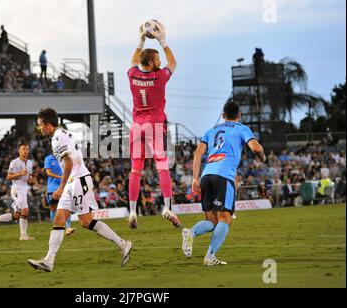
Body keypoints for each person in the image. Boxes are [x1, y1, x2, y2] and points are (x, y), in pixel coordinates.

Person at [28, 108, 132, 272]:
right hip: (75, 181)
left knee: (76, 220)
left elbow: (68, 162)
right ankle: (49, 260)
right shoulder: (63, 133)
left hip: (77, 181)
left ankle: (122, 244)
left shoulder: (57, 137)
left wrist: (61, 187)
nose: (40, 129)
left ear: (48, 125)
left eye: (41, 125)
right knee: (71, 220)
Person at [182, 101, 266, 266]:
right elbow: (256, 148)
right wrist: (262, 156)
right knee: (225, 218)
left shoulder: (211, 130)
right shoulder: (242, 128)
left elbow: (198, 153)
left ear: (223, 116)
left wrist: (195, 178)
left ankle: (191, 232)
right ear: (239, 115)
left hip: (207, 175)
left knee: (212, 221)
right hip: (224, 176)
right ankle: (210, 256)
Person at [127, 21, 180, 229]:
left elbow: (133, 62)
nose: (160, 60)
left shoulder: (133, 76)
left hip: (137, 127)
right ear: (150, 62)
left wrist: (140, 42)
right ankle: (167, 207)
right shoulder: (159, 77)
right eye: (156, 58)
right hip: (156, 126)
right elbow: (173, 63)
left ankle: (132, 211)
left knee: (135, 171)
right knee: (162, 167)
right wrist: (163, 42)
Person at [0, 143, 36, 241]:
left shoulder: (30, 162)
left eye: (27, 149)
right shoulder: (14, 162)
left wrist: (30, 179)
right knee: (25, 210)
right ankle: (23, 235)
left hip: (24, 189)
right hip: (17, 189)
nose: (25, 151)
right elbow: (8, 176)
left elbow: (28, 177)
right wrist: (20, 173)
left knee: (17, 215)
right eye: (23, 149)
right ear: (19, 150)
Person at [44, 154, 75, 236]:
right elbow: (48, 172)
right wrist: (60, 177)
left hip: (64, 186)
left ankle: (68, 228)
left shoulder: (65, 157)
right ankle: (55, 227)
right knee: (53, 207)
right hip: (52, 187)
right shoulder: (49, 158)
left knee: (66, 206)